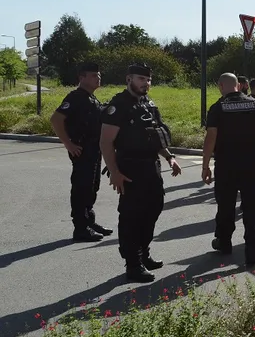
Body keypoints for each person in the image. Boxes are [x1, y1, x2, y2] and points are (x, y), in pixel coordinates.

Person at [99, 63, 182, 282]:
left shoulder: (148, 104)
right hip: (130, 167)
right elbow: (106, 142)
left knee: (153, 209)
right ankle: (133, 264)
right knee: (131, 217)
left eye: (148, 80)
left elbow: (154, 136)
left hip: (151, 166)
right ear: (129, 79)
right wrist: (115, 172)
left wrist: (169, 157)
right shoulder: (118, 105)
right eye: (141, 79)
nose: (146, 83)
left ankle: (143, 253)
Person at [202, 73, 255, 266]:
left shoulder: (218, 108)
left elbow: (211, 137)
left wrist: (205, 165)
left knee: (225, 204)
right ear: (239, 86)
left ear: (220, 86)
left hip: (227, 165)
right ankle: (251, 246)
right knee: (251, 204)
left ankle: (224, 242)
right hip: (252, 164)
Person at [50, 61, 110, 242]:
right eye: (93, 75)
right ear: (81, 78)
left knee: (92, 187)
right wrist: (68, 144)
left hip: (94, 149)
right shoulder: (75, 97)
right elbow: (56, 119)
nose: (97, 78)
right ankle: (81, 228)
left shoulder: (91, 98)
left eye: (98, 75)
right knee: (81, 188)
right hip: (82, 149)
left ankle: (89, 222)